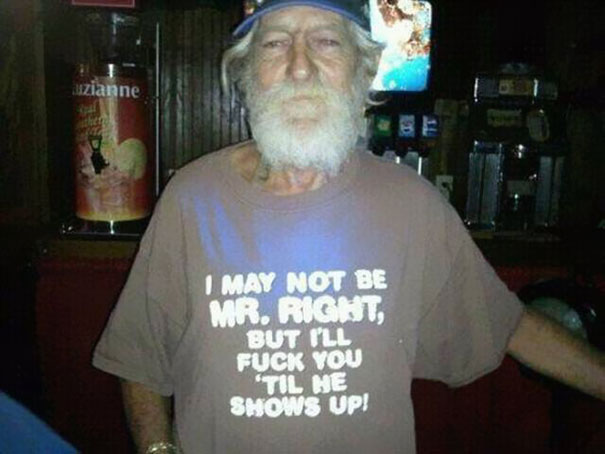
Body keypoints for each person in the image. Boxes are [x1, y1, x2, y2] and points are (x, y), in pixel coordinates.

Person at [92, 1, 605, 453]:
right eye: (275, 44)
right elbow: (139, 357)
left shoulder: (411, 204)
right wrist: (158, 449)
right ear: (247, 74)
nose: (299, 66)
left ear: (364, 70)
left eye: (326, 42)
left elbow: (509, 325)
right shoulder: (192, 197)